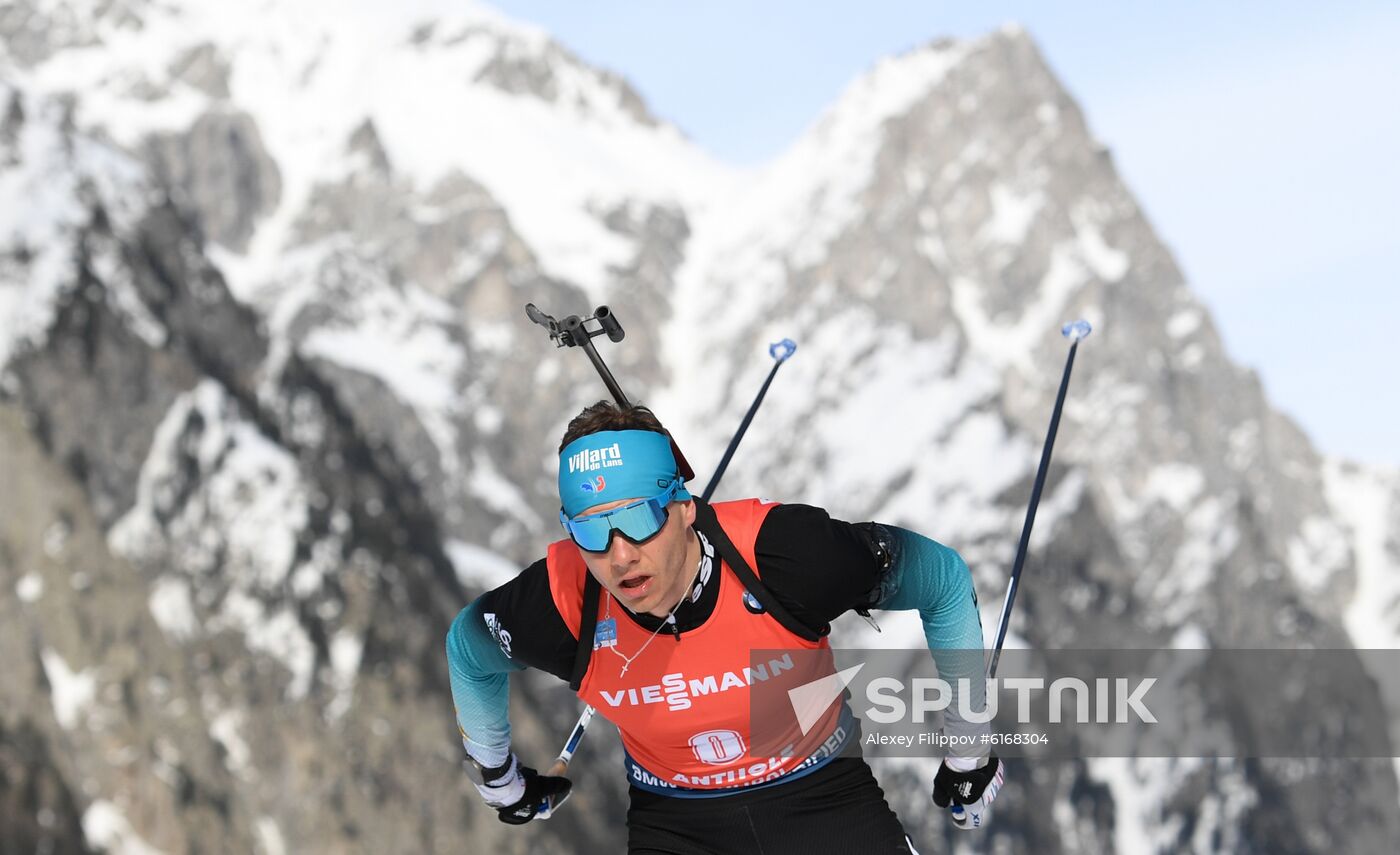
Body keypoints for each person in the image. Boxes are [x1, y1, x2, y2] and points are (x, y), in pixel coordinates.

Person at [446, 402, 1004, 853]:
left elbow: (942, 579)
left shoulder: (785, 558)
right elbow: (468, 653)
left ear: (684, 507)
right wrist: (499, 779)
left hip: (822, 801)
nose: (620, 556)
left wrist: (968, 752)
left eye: (639, 519)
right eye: (591, 532)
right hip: (677, 826)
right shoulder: (562, 603)